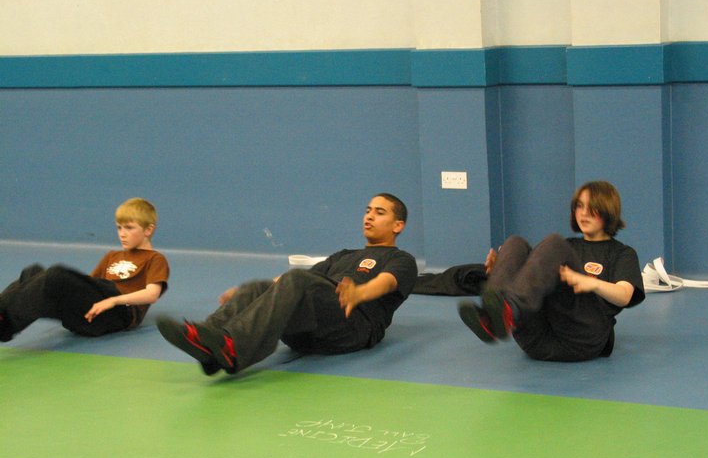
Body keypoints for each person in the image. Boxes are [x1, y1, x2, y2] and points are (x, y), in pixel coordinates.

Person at [157, 193, 418, 377]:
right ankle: (207, 342)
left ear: (398, 225)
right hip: (309, 332)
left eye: (379, 213)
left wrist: (359, 293)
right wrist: (246, 294)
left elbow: (386, 283)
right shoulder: (344, 255)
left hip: (352, 327)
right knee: (259, 287)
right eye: (368, 210)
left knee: (297, 279)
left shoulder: (402, 260)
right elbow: (298, 283)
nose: (369, 217)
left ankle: (233, 348)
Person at [458, 180, 645, 362]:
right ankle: (493, 318)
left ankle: (508, 310)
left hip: (581, 340)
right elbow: (530, 282)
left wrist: (592, 283)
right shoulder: (566, 247)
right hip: (536, 340)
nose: (583, 213)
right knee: (515, 243)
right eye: (579, 206)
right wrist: (501, 270)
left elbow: (624, 295)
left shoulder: (621, 253)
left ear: (607, 210)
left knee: (555, 244)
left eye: (592, 207)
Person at [0, 198, 169, 342]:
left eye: (129, 228)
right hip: (91, 311)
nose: (122, 234)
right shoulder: (112, 256)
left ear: (148, 230)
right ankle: (3, 321)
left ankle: (4, 322)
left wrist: (113, 301)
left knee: (55, 275)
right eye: (119, 228)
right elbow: (88, 284)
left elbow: (151, 294)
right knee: (33, 272)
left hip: (119, 314)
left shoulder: (154, 259)